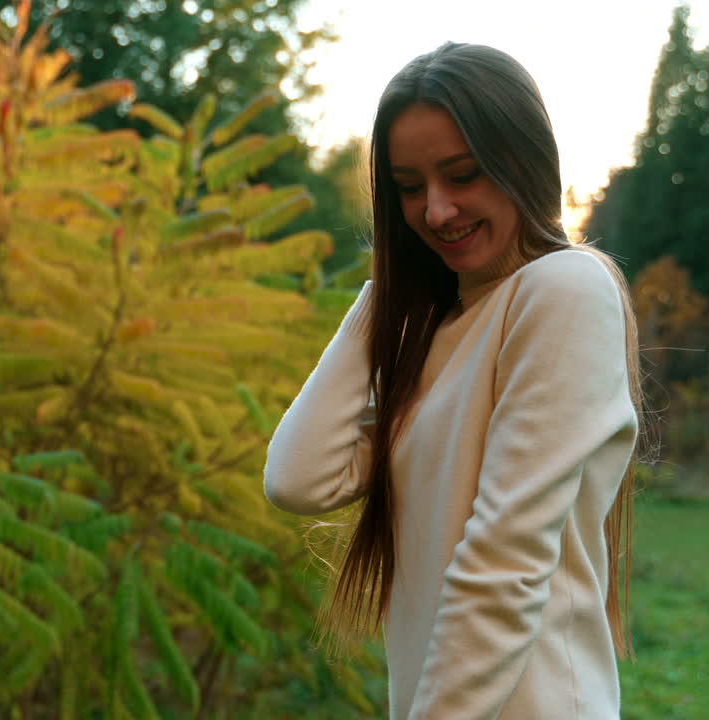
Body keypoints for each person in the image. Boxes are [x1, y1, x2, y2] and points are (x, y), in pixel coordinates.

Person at [263, 42, 646, 720]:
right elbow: (299, 477)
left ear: (523, 161)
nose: (436, 212)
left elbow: (505, 563)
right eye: (410, 188)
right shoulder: (439, 335)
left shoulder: (562, 290)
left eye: (462, 175)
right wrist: (383, 297)